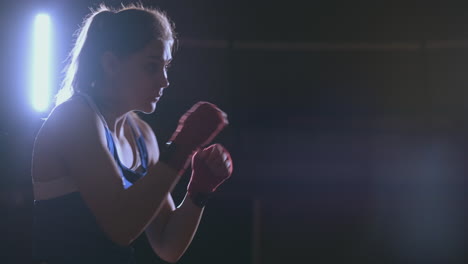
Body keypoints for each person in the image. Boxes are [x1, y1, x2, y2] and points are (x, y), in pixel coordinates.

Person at [31, 4, 233, 264]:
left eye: (166, 67)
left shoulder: (143, 137)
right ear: (111, 64)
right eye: (151, 66)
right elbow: (120, 228)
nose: (164, 80)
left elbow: (167, 246)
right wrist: (183, 147)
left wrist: (199, 190)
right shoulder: (75, 118)